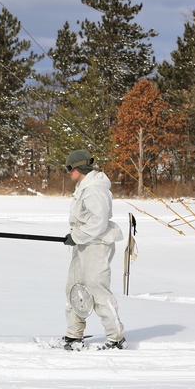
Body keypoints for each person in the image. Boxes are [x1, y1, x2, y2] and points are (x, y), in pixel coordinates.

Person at [57, 149, 126, 351]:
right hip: (84, 244)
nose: (68, 172)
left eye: (70, 168)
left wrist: (76, 236)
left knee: (97, 290)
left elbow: (99, 222)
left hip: (97, 245)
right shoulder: (84, 187)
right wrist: (76, 238)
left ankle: (116, 338)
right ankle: (74, 335)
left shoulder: (95, 189)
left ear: (80, 167)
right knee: (74, 287)